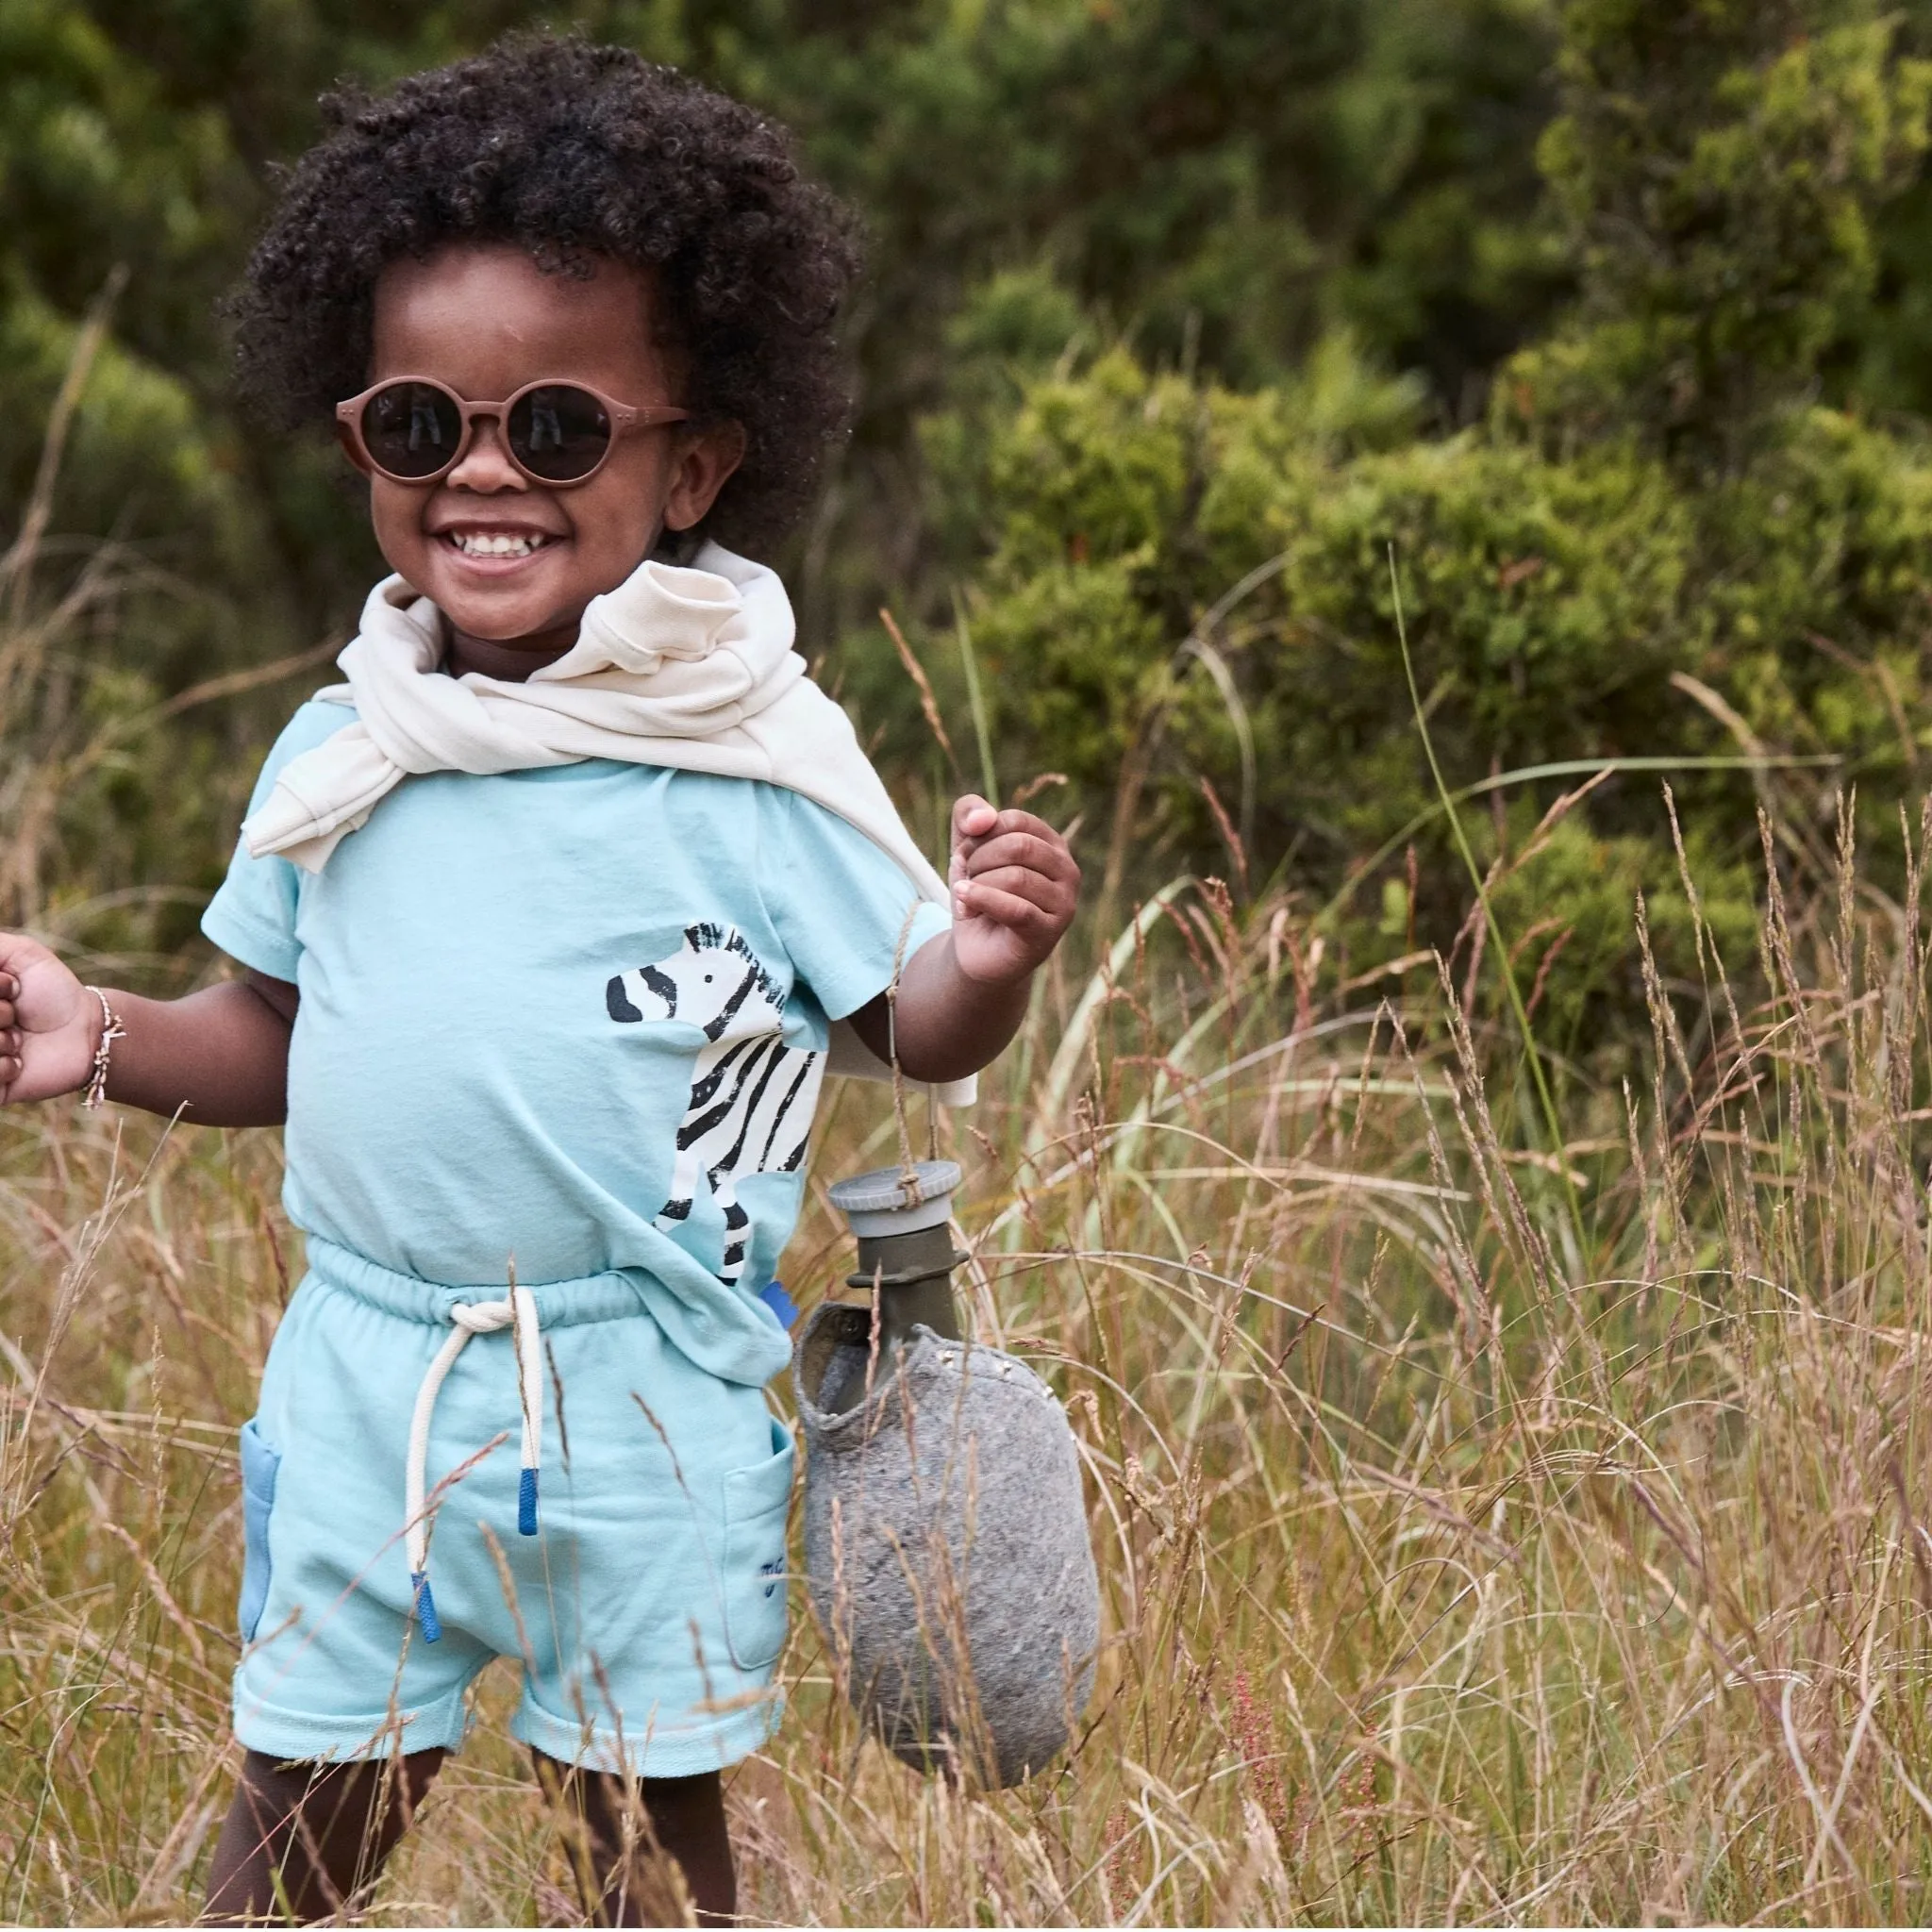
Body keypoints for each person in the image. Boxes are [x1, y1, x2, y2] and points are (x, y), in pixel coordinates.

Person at [0, 36, 1078, 1925]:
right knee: (307, 1800)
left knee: (645, 1823)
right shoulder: (349, 750)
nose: (484, 473)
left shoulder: (748, 763)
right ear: (359, 443)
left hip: (645, 1389)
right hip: (367, 1382)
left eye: (559, 428)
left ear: (693, 469)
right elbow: (264, 1032)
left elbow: (903, 1024)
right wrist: (100, 1035)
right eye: (419, 426)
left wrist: (983, 956)